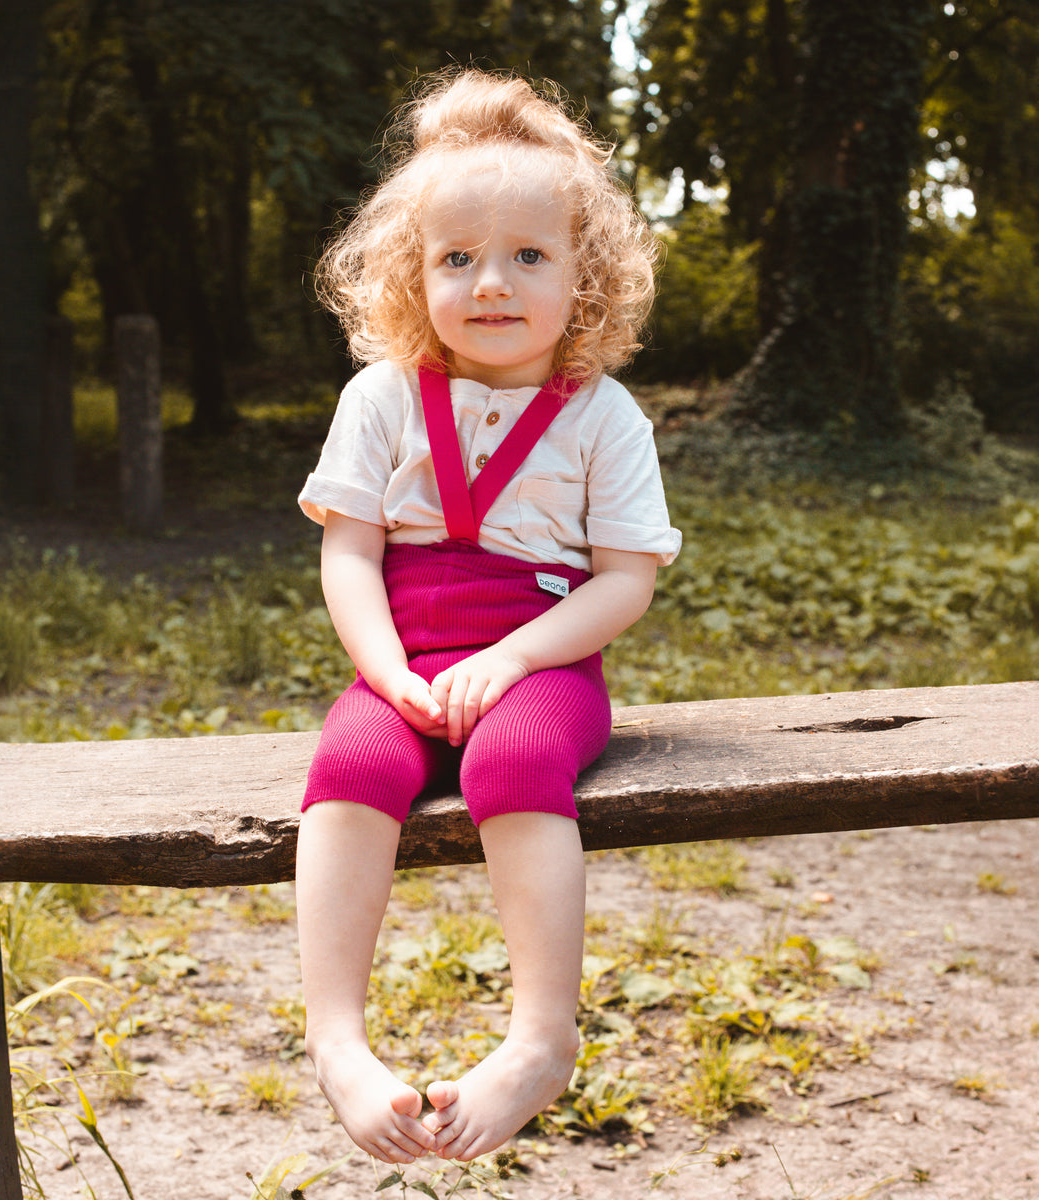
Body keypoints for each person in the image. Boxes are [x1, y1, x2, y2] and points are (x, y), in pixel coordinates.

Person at [294, 68, 681, 1166]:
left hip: (542, 663)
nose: (492, 283)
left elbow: (625, 582)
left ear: (585, 277)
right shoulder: (380, 397)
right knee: (351, 761)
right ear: (413, 276)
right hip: (406, 657)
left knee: (512, 758)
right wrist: (386, 674)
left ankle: (541, 1039)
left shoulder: (604, 416)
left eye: (529, 257)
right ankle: (336, 1041)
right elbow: (350, 552)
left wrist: (511, 662)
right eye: (457, 258)